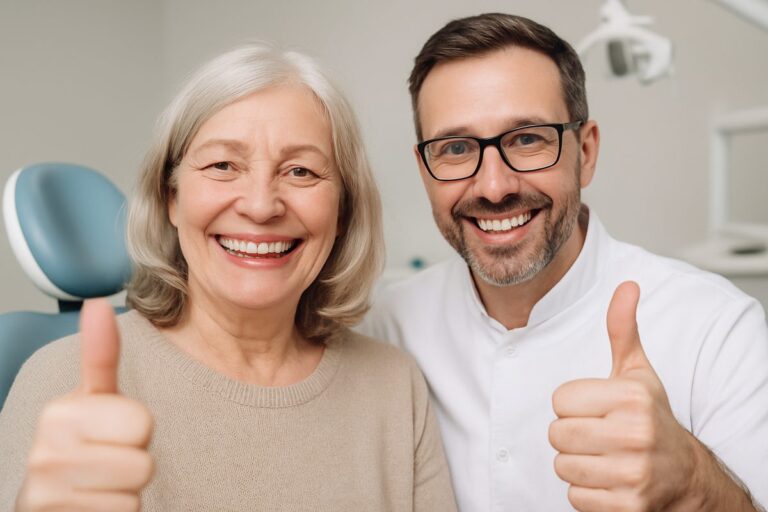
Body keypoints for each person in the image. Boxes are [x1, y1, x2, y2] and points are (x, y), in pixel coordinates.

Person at [0, 44, 457, 511]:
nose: (261, 206)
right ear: (170, 198)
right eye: (223, 166)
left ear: (344, 210)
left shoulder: (394, 385)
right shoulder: (61, 382)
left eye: (300, 171)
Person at [359, 13, 768, 512]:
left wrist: (694, 483)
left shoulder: (715, 328)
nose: (494, 187)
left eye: (527, 138)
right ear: (425, 169)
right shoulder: (387, 328)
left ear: (587, 152)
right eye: (456, 148)